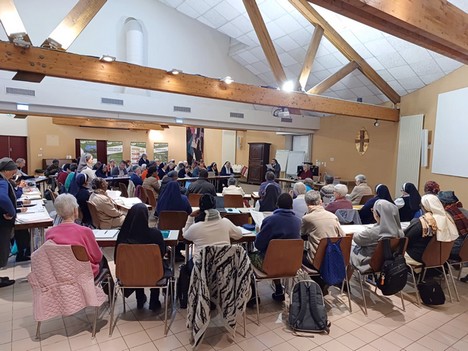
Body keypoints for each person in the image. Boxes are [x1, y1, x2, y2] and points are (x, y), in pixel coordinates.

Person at [250, 193, 301, 302]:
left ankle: (253, 295)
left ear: (277, 205)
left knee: (247, 257)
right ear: (291, 206)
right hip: (291, 264)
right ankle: (278, 290)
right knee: (278, 254)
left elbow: (258, 245)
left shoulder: (270, 220)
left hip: (269, 263)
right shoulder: (298, 221)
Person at [115, 203, 166, 311]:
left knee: (136, 265)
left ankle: (140, 298)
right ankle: (154, 300)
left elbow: (117, 259)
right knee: (154, 265)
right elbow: (162, 253)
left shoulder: (122, 237)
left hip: (129, 275)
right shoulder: (155, 234)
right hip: (154, 274)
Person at [45, 194, 105, 279]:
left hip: (60, 274)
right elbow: (97, 257)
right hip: (84, 273)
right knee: (103, 260)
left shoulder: (49, 233)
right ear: (75, 210)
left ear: (58, 213)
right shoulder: (85, 231)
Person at [301, 190, 344, 292]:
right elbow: (342, 236)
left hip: (317, 259)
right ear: (320, 201)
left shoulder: (307, 218)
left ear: (307, 204)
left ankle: (320, 282)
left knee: (299, 255)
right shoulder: (333, 216)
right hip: (335, 257)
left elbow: (301, 234)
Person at [183, 194, 242, 264]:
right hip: (223, 265)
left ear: (200, 208)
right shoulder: (226, 222)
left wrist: (190, 216)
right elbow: (239, 235)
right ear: (215, 207)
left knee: (185, 268)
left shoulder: (195, 227)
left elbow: (185, 235)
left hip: (202, 267)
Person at [404, 194, 458, 265]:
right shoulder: (449, 220)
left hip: (419, 258)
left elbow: (405, 239)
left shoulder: (423, 222)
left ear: (425, 207)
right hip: (441, 258)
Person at [350, 200, 404, 272]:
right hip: (391, 263)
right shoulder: (400, 231)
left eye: (373, 210)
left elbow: (357, 239)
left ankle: (345, 281)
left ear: (377, 214)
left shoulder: (373, 232)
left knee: (348, 247)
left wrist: (355, 233)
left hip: (368, 262)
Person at [0, 158, 21, 287]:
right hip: (2, 224)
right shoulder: (2, 182)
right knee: (2, 248)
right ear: (6, 171)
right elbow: (2, 197)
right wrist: (12, 212)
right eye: (12, 172)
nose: (14, 175)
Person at [437, 191, 468, 259]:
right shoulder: (465, 211)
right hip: (466, 249)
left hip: (454, 249)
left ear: (443, 203)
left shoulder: (445, 215)